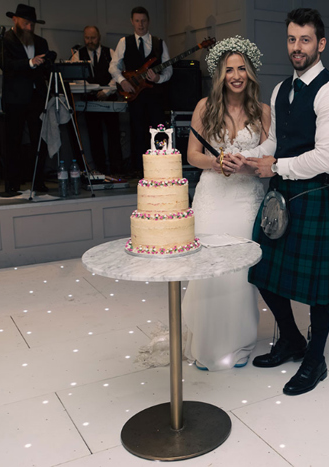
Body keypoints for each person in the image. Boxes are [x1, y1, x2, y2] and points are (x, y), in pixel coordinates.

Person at [243, 8, 329, 396]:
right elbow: (276, 142)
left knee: (317, 289)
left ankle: (316, 359)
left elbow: (325, 158)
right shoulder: (279, 90)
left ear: (320, 44)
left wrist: (275, 164)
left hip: (314, 195)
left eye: (305, 39)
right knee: (264, 273)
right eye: (292, 39)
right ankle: (292, 340)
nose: (297, 47)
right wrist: (251, 156)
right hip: (282, 192)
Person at [181, 36, 270, 371]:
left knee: (240, 272)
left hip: (246, 199)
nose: (236, 75)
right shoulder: (205, 107)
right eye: (229, 69)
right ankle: (205, 343)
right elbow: (192, 155)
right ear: (220, 73)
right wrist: (217, 163)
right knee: (209, 269)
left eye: (241, 68)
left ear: (250, 72)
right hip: (212, 198)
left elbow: (267, 163)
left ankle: (241, 341)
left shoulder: (264, 113)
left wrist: (246, 164)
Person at [0, 3, 52, 194]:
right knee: (13, 141)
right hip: (15, 98)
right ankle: (12, 183)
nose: (29, 28)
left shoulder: (40, 42)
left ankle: (38, 180)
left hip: (37, 96)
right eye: (26, 24)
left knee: (39, 141)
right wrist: (30, 62)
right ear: (15, 20)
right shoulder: (3, 40)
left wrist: (47, 62)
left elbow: (45, 69)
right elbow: (6, 64)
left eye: (32, 25)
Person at [109, 6, 172, 179]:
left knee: (159, 130)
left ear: (148, 21)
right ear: (132, 22)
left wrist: (158, 79)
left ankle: (160, 169)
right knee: (137, 131)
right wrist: (122, 81)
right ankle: (140, 171)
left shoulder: (159, 43)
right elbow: (113, 66)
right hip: (135, 94)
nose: (140, 24)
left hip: (155, 95)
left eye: (143, 20)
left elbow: (169, 70)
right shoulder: (124, 42)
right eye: (137, 20)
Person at [71, 26, 123, 175]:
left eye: (93, 38)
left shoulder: (110, 53)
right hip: (89, 100)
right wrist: (92, 89)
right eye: (87, 38)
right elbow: (76, 78)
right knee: (95, 136)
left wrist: (106, 91)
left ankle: (117, 169)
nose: (90, 41)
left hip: (109, 99)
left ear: (99, 37)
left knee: (114, 135)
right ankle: (100, 170)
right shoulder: (77, 55)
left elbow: (117, 74)